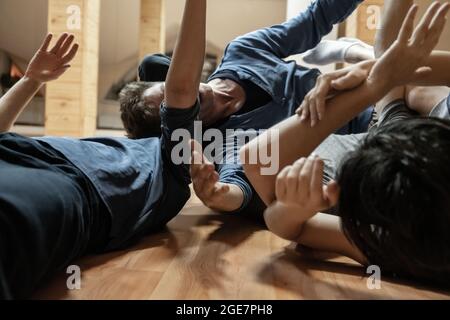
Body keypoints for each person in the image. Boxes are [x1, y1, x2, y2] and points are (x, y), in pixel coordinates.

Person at [0, 0, 208, 300]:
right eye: (162, 94)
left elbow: (181, 89)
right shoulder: (112, 144)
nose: (170, 98)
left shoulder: (170, 159)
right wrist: (31, 81)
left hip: (66, 182)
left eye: (170, 98)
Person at [241, 1, 450, 286]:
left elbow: (259, 159)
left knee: (399, 71)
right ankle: (371, 63)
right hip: (414, 145)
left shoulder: (413, 250)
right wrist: (374, 71)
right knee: (408, 76)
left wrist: (374, 83)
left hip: (400, 155)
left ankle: (382, 73)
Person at [120, 0, 373, 218]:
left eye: (169, 87)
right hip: (363, 146)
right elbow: (237, 184)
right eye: (173, 102)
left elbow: (316, 18)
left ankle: (353, 50)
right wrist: (218, 197)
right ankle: (355, 51)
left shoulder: (242, 51)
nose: (184, 92)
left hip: (375, 102)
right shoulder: (220, 144)